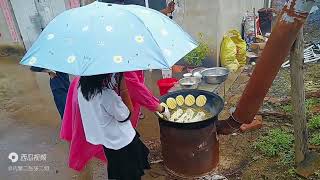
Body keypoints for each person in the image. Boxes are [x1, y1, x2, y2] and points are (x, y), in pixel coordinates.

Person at [77, 73, 169, 179]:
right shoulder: (107, 95)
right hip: (123, 143)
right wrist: (124, 89)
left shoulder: (80, 90)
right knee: (131, 174)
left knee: (118, 171)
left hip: (107, 141)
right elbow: (126, 115)